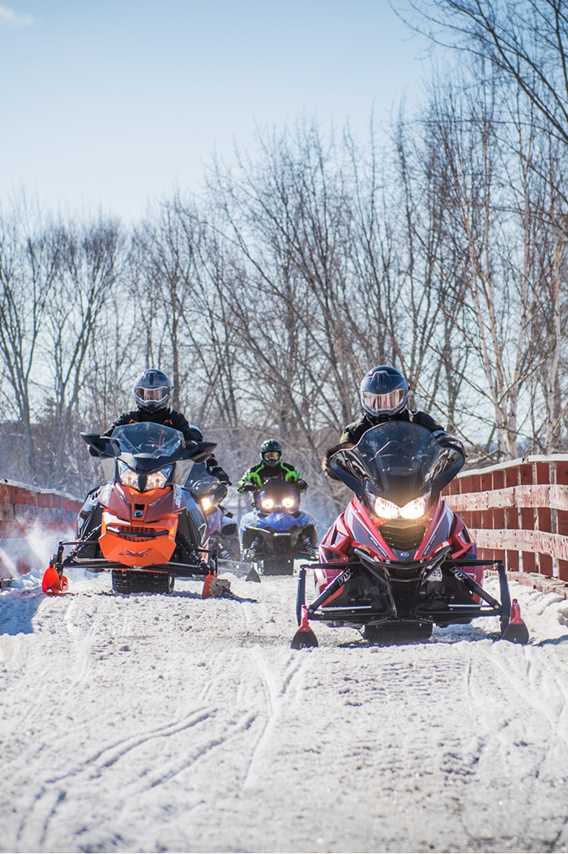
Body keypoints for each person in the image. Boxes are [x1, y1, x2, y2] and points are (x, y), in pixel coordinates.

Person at [323, 364, 463, 476]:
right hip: (371, 493)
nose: (383, 405)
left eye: (391, 399)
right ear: (364, 399)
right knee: (347, 513)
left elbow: (442, 440)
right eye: (375, 400)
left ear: (403, 396)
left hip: (419, 488)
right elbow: (342, 456)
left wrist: (449, 446)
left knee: (447, 512)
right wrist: (334, 463)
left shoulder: (420, 420)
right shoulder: (355, 431)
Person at [100, 368, 229, 483]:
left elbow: (194, 442)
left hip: (167, 476)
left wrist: (211, 464)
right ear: (137, 394)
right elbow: (108, 436)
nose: (150, 398)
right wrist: (99, 443)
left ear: (165, 394)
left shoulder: (175, 419)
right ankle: (89, 510)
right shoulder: (128, 419)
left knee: (193, 502)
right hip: (130, 474)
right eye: (145, 393)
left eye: (156, 394)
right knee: (97, 498)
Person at [237, 439, 307, 494]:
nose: (271, 458)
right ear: (262, 456)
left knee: (300, 512)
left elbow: (297, 478)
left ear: (279, 456)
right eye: (268, 456)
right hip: (262, 504)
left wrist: (300, 483)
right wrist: (245, 486)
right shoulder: (254, 471)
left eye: (274, 456)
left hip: (287, 502)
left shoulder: (289, 469)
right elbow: (242, 481)